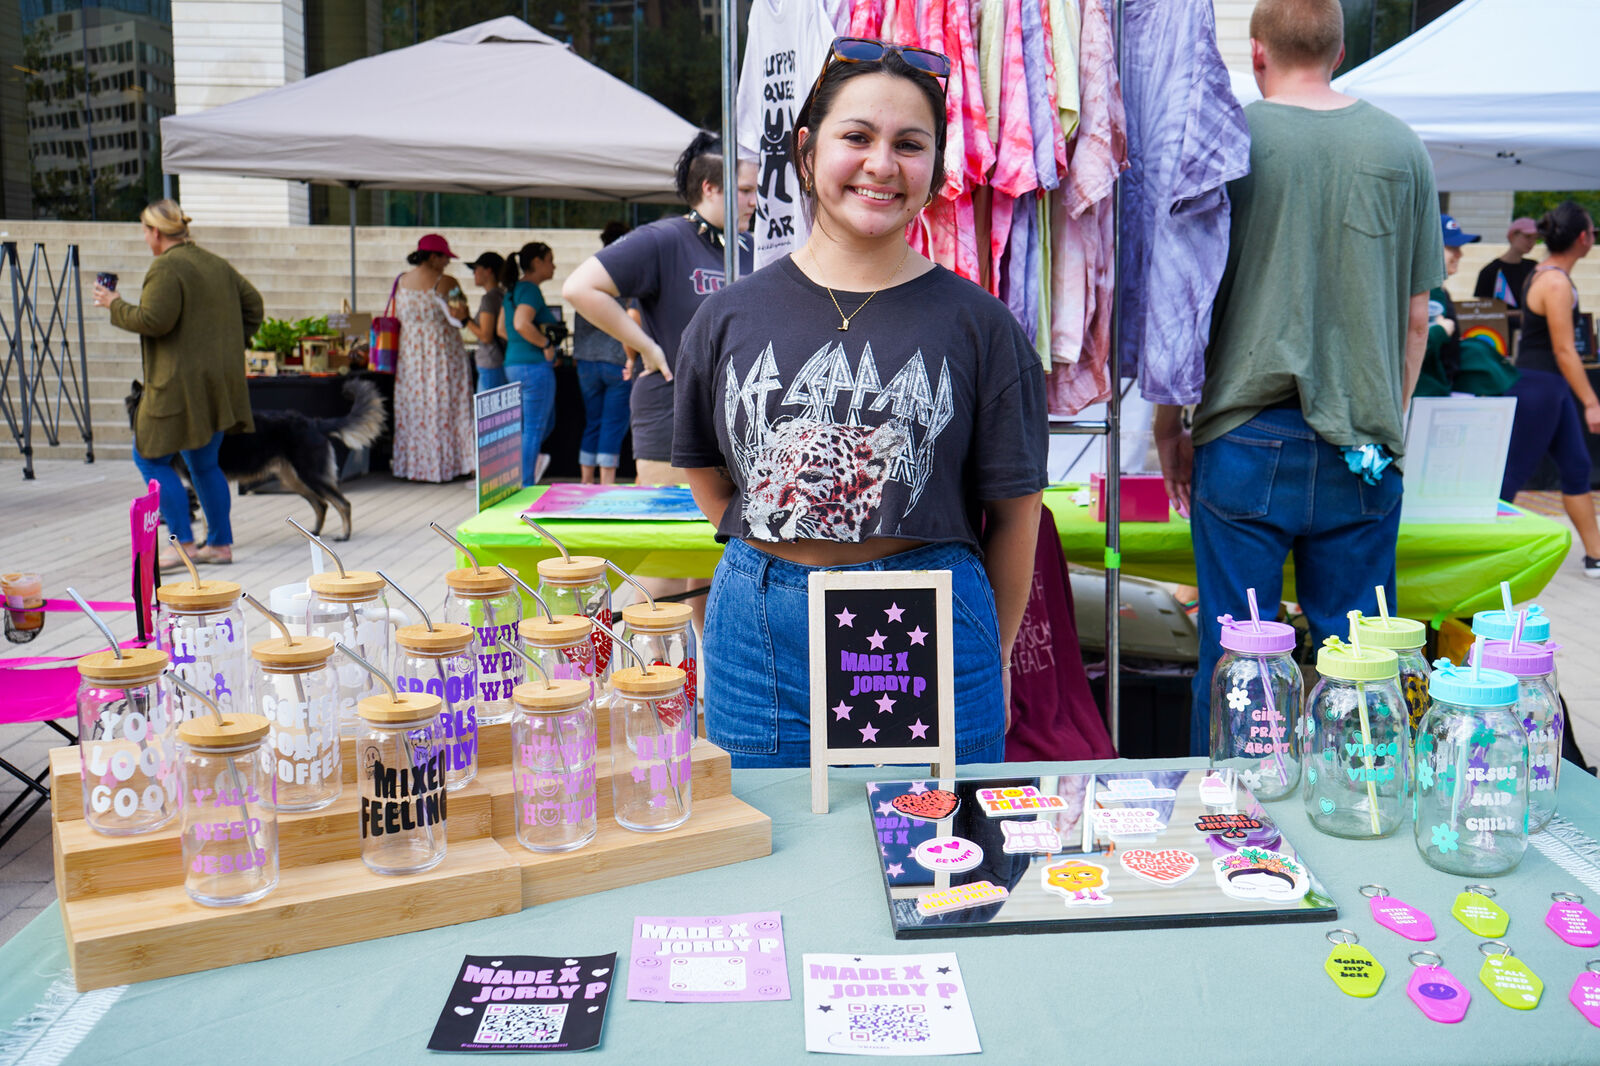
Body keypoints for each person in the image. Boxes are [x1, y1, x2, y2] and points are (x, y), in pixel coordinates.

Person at [672, 38, 1048, 768]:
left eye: (910, 144)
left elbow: (1014, 512)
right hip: (759, 634)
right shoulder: (727, 318)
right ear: (808, 153)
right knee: (772, 853)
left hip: (927, 623)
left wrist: (989, 651)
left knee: (934, 859)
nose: (882, 164)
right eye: (857, 137)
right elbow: (710, 477)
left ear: (935, 171)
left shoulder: (983, 326)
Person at [1153, 0, 1443, 756]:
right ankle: (1361, 814)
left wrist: (1168, 425)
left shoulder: (1228, 142)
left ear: (1257, 53)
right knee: (1361, 666)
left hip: (1245, 433)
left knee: (1240, 661)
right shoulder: (1402, 147)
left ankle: (1235, 820)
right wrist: (1385, 420)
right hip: (1363, 443)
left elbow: (1182, 306)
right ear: (1340, 48)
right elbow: (1418, 322)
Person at [562, 132, 758, 612]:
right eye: (747, 190)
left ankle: (701, 682)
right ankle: (639, 676)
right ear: (711, 188)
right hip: (670, 419)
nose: (756, 201)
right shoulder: (665, 239)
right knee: (663, 571)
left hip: (735, 429)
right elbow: (579, 287)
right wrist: (645, 345)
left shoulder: (751, 247)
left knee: (710, 571)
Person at [93, 199, 261, 567]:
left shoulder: (166, 268)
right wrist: (225, 347)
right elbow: (254, 306)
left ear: (155, 231)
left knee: (149, 457)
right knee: (203, 462)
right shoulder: (215, 263)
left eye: (144, 230)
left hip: (176, 385)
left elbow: (154, 320)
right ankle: (218, 545)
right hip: (217, 384)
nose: (144, 237)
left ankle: (181, 543)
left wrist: (114, 304)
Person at [1499, 200, 1600, 575]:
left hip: (1546, 387)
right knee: (1511, 477)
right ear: (1582, 238)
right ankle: (1476, 551)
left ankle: (1596, 555)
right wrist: (1591, 402)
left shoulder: (1546, 273)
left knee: (1577, 466)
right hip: (1539, 387)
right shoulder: (1555, 281)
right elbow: (1563, 349)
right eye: (1592, 231)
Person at [390, 234, 475, 483]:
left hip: (411, 356)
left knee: (415, 409)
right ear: (433, 257)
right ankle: (452, 464)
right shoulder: (447, 282)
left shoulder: (401, 281)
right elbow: (462, 315)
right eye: (445, 257)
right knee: (448, 405)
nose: (447, 262)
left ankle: (416, 466)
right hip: (442, 354)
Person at [571, 222, 635, 485]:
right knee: (612, 424)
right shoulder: (627, 277)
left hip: (586, 360)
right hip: (616, 361)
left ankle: (586, 481)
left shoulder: (589, 274)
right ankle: (606, 485)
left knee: (593, 422)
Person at [497, 242, 563, 485]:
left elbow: (502, 329)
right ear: (537, 262)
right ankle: (524, 484)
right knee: (533, 429)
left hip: (513, 363)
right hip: (533, 367)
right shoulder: (530, 290)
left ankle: (518, 477)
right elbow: (520, 324)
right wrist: (545, 345)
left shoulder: (513, 290)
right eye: (550, 260)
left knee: (527, 428)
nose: (553, 265)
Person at [1474, 217, 1541, 333]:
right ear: (1512, 236)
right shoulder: (1490, 271)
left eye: (1535, 238)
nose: (1532, 242)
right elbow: (1484, 311)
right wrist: (1519, 313)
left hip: (1528, 333)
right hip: (1500, 335)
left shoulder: (1533, 267)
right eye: (1527, 237)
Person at [462, 251, 507, 392]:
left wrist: (464, 319)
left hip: (491, 362)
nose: (474, 274)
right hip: (501, 360)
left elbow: (486, 336)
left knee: (488, 413)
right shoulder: (503, 294)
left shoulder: (489, 298)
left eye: (476, 269)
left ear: (488, 271)